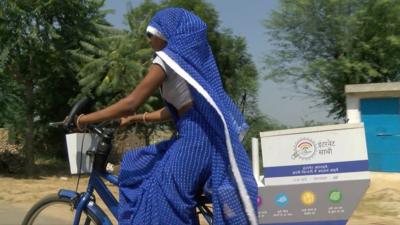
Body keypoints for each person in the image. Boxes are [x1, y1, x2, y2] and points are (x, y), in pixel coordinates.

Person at [76, 7, 258, 225]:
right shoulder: (185, 65)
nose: (148, 40)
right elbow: (175, 110)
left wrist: (83, 119)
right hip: (199, 138)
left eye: (150, 34)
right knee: (135, 163)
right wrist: (135, 119)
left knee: (164, 195)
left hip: (195, 142)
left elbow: (130, 103)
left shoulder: (165, 60)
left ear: (165, 34)